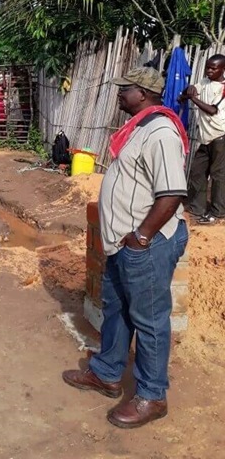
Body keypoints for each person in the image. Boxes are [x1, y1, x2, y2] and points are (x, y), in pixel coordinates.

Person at [62, 67, 189, 429]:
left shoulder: (161, 132)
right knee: (116, 308)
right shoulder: (140, 127)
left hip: (146, 244)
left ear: (144, 94)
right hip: (123, 243)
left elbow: (172, 192)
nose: (119, 94)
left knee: (149, 321)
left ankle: (152, 395)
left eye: (125, 89)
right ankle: (107, 372)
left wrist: (142, 236)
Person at [179, 54, 225, 224]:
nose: (209, 70)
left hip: (220, 136)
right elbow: (191, 90)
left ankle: (218, 212)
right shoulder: (205, 82)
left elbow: (212, 110)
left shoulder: (223, 88)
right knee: (197, 172)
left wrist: (193, 98)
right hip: (205, 137)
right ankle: (196, 208)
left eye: (214, 68)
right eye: (208, 67)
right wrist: (189, 88)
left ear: (223, 69)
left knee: (218, 176)